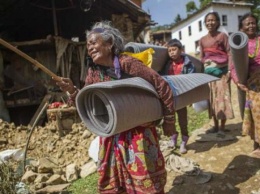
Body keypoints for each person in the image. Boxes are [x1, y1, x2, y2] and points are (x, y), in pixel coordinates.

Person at [55, 21, 176, 194]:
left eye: (94, 42)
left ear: (110, 43)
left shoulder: (128, 64)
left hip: (138, 134)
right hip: (112, 136)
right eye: (88, 44)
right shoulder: (94, 73)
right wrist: (72, 90)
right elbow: (87, 102)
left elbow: (161, 85)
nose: (90, 47)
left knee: (146, 182)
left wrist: (169, 120)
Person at [199, 11, 234, 135]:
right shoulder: (202, 40)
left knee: (222, 99)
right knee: (212, 100)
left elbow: (229, 53)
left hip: (222, 73)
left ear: (218, 22)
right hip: (209, 75)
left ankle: (222, 128)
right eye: (208, 21)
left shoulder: (223, 36)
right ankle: (215, 125)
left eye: (213, 20)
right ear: (205, 23)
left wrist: (229, 70)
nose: (210, 22)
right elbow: (202, 58)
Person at [230, 13, 260, 157]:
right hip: (251, 85)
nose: (251, 26)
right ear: (242, 27)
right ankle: (257, 143)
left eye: (253, 23)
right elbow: (233, 66)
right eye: (247, 24)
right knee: (255, 114)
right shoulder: (239, 45)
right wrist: (237, 81)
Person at [160, 38, 195, 154]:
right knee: (171, 118)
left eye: (174, 50)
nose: (172, 53)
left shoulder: (188, 64)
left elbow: (191, 81)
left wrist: (190, 97)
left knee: (182, 119)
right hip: (170, 96)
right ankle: (173, 138)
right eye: (169, 51)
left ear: (181, 50)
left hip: (182, 95)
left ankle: (184, 141)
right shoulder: (167, 64)